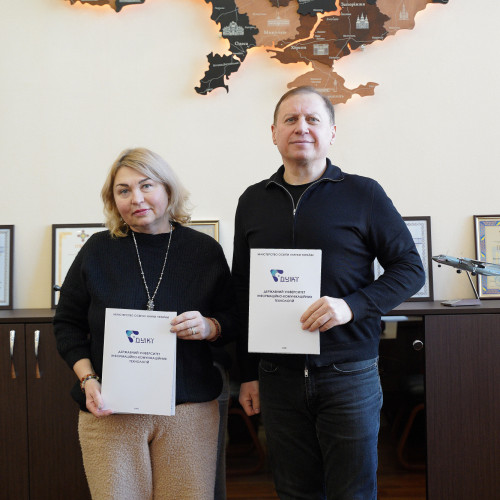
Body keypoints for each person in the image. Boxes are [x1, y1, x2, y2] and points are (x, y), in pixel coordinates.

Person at [231, 86, 425, 500]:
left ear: (331, 132)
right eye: (290, 119)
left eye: (312, 119)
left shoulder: (364, 194)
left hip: (348, 373)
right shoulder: (252, 201)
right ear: (273, 132)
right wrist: (247, 373)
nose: (301, 127)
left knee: (353, 492)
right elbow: (242, 291)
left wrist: (351, 306)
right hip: (277, 377)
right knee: (293, 491)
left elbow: (410, 269)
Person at [53, 147, 239, 500]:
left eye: (146, 185)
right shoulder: (97, 250)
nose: (136, 198)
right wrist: (88, 379)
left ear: (168, 189)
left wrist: (209, 326)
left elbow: (233, 320)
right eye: (123, 190)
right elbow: (67, 323)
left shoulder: (203, 250)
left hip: (188, 412)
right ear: (113, 200)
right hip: (111, 412)